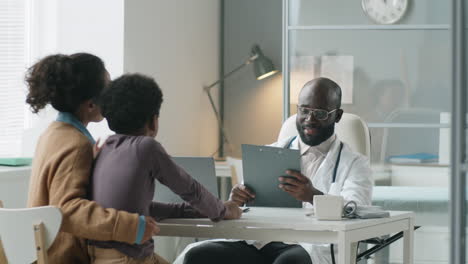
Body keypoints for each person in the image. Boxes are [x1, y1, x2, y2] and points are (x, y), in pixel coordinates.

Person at [181, 77, 373, 264]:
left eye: (320, 113)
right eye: (304, 110)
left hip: (310, 246)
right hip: (262, 240)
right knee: (199, 255)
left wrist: (313, 196)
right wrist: (237, 200)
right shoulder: (270, 152)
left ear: (337, 116)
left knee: (289, 261)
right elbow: (250, 209)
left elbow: (357, 212)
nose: (309, 119)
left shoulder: (356, 164)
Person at [87, 73, 243, 263]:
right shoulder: (146, 147)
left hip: (100, 256)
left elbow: (139, 208)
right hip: (129, 258)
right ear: (153, 121)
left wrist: (194, 211)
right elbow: (190, 189)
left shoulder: (104, 148)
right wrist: (223, 211)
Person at [26, 53, 159, 263]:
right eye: (108, 89)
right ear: (90, 105)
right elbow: (67, 209)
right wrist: (132, 226)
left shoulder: (53, 134)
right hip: (69, 257)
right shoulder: (76, 145)